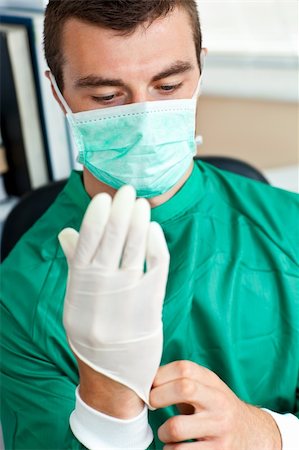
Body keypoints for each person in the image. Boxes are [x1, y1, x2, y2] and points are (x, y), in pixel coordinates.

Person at [1, 0, 298, 449]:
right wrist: (107, 406)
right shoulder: (17, 298)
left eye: (169, 85)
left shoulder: (289, 227)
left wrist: (272, 434)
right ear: (58, 92)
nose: (142, 118)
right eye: (106, 97)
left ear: (200, 70)